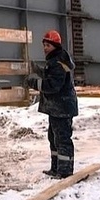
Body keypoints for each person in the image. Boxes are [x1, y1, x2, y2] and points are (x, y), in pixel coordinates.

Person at [26, 29, 79, 179]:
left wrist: (33, 83)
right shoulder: (55, 60)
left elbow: (53, 85)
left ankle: (64, 171)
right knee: (53, 137)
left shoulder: (58, 62)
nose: (44, 48)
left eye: (47, 46)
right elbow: (51, 75)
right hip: (57, 108)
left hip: (62, 107)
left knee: (62, 139)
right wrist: (39, 71)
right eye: (44, 45)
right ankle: (56, 168)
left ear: (55, 46)